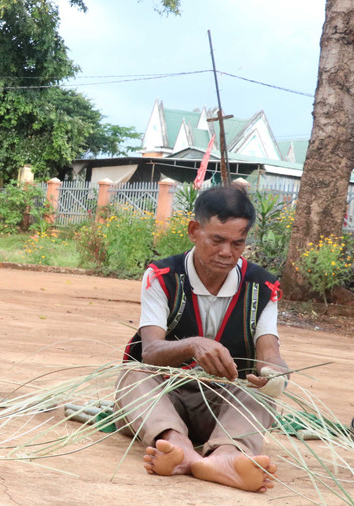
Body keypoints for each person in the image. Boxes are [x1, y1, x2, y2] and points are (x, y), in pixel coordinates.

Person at [116, 184, 288, 493]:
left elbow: (270, 351)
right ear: (194, 230)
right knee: (132, 374)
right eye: (217, 239)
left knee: (261, 395)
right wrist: (194, 344)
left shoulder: (263, 287)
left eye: (238, 243)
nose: (227, 253)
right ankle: (177, 444)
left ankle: (224, 455)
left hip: (222, 407)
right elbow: (151, 350)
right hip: (166, 400)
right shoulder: (163, 275)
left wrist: (274, 376)